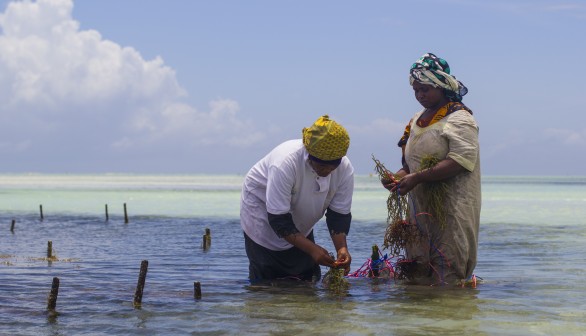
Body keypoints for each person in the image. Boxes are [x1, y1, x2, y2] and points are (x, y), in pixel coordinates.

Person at [383, 53, 481, 285]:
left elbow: (460, 160)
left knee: (449, 271)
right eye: (416, 90)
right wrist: (397, 178)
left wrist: (418, 178)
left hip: (451, 211)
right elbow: (409, 165)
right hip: (420, 212)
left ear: (442, 85)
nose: (420, 95)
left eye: (426, 89)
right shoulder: (416, 120)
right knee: (418, 271)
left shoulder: (460, 119)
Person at [240, 115, 354, 283]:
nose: (328, 169)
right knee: (266, 283)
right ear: (310, 154)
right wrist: (313, 249)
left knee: (308, 278)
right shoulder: (285, 163)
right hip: (263, 217)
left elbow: (338, 215)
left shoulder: (344, 169)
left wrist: (342, 248)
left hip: (299, 220)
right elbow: (279, 220)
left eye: (333, 164)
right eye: (322, 164)